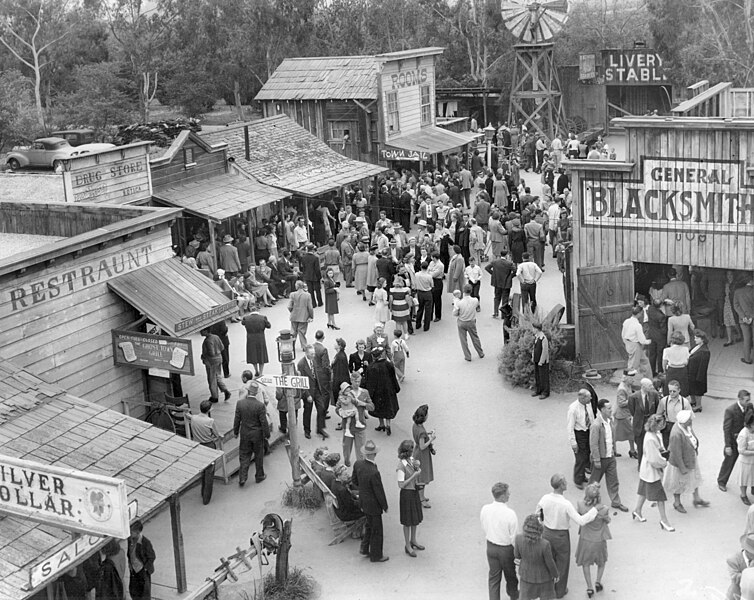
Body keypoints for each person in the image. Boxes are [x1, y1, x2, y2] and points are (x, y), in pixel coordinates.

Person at [536, 474, 598, 599]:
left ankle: (548, 588)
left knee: (548, 560)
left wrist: (542, 524)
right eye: (565, 482)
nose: (567, 484)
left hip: (547, 532)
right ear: (561, 486)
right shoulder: (565, 504)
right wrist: (594, 511)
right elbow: (580, 520)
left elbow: (537, 513)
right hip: (561, 535)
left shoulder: (545, 498)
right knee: (562, 563)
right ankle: (560, 590)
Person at [632, 414, 673, 531]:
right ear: (657, 424)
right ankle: (664, 520)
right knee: (660, 497)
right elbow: (654, 459)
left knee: (643, 491)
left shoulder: (653, 434)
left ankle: (637, 511)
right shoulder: (650, 438)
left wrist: (662, 452)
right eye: (662, 423)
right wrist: (664, 462)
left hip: (647, 470)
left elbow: (657, 450)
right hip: (651, 471)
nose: (664, 425)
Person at [664, 409, 709, 513]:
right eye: (689, 419)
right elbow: (676, 454)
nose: (691, 420)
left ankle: (697, 498)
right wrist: (682, 468)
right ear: (684, 421)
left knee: (695, 478)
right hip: (680, 463)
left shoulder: (686, 426)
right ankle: (677, 503)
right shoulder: (676, 434)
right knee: (678, 483)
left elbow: (692, 437)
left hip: (690, 458)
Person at [480, 482, 519, 600]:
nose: (509, 495)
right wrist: (517, 553)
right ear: (502, 496)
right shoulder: (510, 514)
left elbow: (483, 525)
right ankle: (513, 595)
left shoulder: (485, 509)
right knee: (511, 576)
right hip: (506, 549)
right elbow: (514, 537)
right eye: (507, 493)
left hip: (491, 546)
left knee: (493, 577)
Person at [352, 440, 389, 562]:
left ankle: (364, 548)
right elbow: (379, 491)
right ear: (374, 454)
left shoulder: (358, 464)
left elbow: (355, 481)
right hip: (373, 505)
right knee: (377, 530)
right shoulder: (374, 472)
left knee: (368, 526)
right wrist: (385, 506)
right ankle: (376, 555)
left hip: (363, 501)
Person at [589, 399, 629, 512]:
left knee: (613, 481)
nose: (611, 410)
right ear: (602, 410)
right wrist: (596, 459)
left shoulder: (610, 421)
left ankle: (616, 502)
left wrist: (614, 452)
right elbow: (593, 444)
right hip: (600, 458)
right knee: (594, 482)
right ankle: (588, 502)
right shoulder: (596, 425)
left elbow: (612, 438)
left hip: (610, 457)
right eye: (609, 408)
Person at [575, 483, 611, 597]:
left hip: (585, 539)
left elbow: (579, 514)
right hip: (599, 540)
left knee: (586, 563)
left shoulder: (580, 505)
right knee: (602, 562)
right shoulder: (604, 509)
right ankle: (598, 582)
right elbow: (608, 520)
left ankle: (589, 587)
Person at [234, 379, 270, 485]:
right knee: (258, 455)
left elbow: (237, 419)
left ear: (248, 391)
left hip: (245, 433)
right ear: (256, 392)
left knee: (244, 455)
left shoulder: (240, 403)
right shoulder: (260, 405)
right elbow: (264, 422)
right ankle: (259, 475)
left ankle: (242, 477)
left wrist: (236, 432)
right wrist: (267, 434)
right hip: (257, 435)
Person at [514, 514, 558, 600]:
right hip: (544, 578)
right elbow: (550, 562)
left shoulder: (518, 539)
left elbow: (517, 555)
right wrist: (555, 574)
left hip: (526, 576)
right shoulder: (545, 544)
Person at [337, 371, 375, 466]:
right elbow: (338, 407)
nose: (357, 384)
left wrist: (363, 404)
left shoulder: (364, 392)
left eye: (358, 381)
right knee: (346, 448)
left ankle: (359, 467)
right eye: (355, 381)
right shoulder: (345, 392)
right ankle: (347, 460)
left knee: (361, 452)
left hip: (360, 426)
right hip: (347, 426)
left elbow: (372, 407)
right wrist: (341, 413)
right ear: (351, 380)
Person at [188, 400, 221, 504]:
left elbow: (188, 415)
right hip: (209, 445)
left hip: (198, 446)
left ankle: (203, 492)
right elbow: (216, 434)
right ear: (209, 409)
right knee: (209, 473)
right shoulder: (210, 421)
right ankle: (206, 498)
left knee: (203, 470)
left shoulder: (194, 418)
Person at [719, 390, 752, 493]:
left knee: (750, 463)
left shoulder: (749, 407)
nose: (748, 402)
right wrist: (727, 445)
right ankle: (722, 481)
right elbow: (726, 429)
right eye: (746, 400)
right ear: (740, 399)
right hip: (733, 441)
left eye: (749, 400)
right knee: (729, 461)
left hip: (746, 440)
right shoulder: (730, 410)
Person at [396, 439, 424, 558]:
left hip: (413, 492)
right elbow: (401, 484)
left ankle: (413, 540)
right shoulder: (401, 466)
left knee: (415, 519)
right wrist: (414, 475)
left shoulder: (411, 461)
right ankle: (407, 545)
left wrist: (417, 468)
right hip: (406, 494)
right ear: (407, 451)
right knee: (407, 522)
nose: (413, 451)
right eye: (411, 449)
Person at [366, 347, 400, 435]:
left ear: (373, 356)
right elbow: (393, 378)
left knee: (379, 408)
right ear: (381, 354)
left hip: (377, 392)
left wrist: (369, 394)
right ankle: (388, 425)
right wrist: (396, 388)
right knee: (388, 408)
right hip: (388, 390)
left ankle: (381, 425)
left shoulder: (371, 367)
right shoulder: (388, 364)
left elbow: (369, 382)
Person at [297, 344, 329, 440]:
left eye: (314, 354)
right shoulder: (301, 364)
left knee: (322, 408)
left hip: (317, 389)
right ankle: (307, 431)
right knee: (308, 411)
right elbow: (301, 381)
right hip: (308, 391)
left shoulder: (313, 360)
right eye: (311, 354)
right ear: (306, 353)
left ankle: (320, 428)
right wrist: (307, 395)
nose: (313, 356)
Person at [628, 378, 660, 468]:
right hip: (639, 424)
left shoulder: (654, 394)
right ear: (643, 386)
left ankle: (652, 463)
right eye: (650, 385)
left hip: (651, 423)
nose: (652, 387)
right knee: (640, 445)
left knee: (652, 443)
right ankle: (641, 464)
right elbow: (632, 411)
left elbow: (657, 408)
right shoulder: (633, 397)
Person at [568, 390, 594, 489]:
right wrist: (573, 443)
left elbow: (590, 417)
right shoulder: (573, 409)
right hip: (579, 434)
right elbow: (570, 427)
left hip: (588, 431)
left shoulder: (588, 405)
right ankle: (578, 480)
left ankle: (582, 476)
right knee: (580, 458)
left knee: (586, 454)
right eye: (589, 397)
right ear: (582, 398)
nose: (591, 399)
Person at [656, 379, 692, 449]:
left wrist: (689, 431)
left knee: (679, 448)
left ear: (679, 390)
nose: (672, 393)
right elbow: (658, 414)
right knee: (668, 448)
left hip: (680, 426)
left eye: (674, 391)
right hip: (667, 427)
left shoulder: (685, 402)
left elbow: (690, 417)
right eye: (670, 391)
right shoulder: (664, 401)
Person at [411, 404, 435, 509]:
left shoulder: (416, 426)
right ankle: (421, 499)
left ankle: (422, 496)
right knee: (422, 477)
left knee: (421, 476)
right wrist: (431, 439)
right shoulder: (421, 431)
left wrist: (427, 433)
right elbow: (422, 446)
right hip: (422, 455)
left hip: (417, 452)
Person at [453, 283, 485, 362]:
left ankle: (468, 356)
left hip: (462, 322)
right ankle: (480, 353)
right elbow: (477, 306)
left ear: (463, 291)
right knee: (475, 337)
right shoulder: (475, 300)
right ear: (471, 291)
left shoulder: (459, 303)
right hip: (471, 321)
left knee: (463, 340)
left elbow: (455, 313)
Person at [621, 306, 652, 381]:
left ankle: (648, 380)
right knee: (632, 367)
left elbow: (623, 334)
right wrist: (649, 341)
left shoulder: (626, 321)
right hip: (635, 345)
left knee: (645, 361)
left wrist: (626, 343)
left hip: (628, 342)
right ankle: (625, 382)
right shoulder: (637, 326)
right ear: (639, 314)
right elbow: (642, 340)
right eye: (641, 313)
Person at [200, 328, 231, 403]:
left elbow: (211, 353)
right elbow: (222, 347)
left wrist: (204, 355)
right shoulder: (216, 337)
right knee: (217, 376)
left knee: (212, 379)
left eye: (202, 331)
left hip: (211, 362)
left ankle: (214, 397)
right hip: (219, 359)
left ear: (206, 331)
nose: (200, 332)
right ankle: (225, 390)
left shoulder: (208, 341)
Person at [127, 521, 155, 600]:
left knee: (144, 593)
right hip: (133, 570)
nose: (130, 534)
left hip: (142, 570)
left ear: (138, 532)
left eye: (131, 532)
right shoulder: (130, 540)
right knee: (134, 591)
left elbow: (152, 556)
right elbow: (129, 553)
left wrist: (145, 569)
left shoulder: (145, 542)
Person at [486, 250, 515, 318]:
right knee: (505, 298)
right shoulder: (509, 263)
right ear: (506, 255)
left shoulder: (495, 262)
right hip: (506, 283)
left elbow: (487, 268)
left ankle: (495, 312)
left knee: (497, 297)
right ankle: (503, 314)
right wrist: (510, 277)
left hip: (497, 282)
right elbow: (515, 271)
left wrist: (493, 274)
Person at [242, 308, 270, 377]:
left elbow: (243, 323)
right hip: (260, 338)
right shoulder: (263, 318)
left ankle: (256, 370)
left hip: (250, 338)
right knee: (261, 355)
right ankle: (261, 373)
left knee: (253, 355)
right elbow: (269, 326)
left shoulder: (246, 318)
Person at [687, 330, 710, 412]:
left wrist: (699, 377)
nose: (695, 339)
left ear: (702, 339)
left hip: (697, 374)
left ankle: (698, 405)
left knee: (697, 390)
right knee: (692, 388)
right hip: (691, 372)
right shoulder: (697, 346)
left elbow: (703, 366)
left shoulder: (705, 351)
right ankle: (693, 401)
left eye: (697, 338)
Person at [288, 280, 314, 351]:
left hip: (294, 315)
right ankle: (304, 346)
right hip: (303, 316)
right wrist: (311, 316)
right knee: (302, 331)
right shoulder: (307, 295)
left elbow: (289, 306)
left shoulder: (292, 294)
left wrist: (292, 311)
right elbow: (310, 307)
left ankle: (291, 345)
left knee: (293, 331)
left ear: (296, 286)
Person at [727, 534, 754, 600]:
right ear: (747, 551)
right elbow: (735, 577)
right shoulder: (733, 560)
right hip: (737, 591)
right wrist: (750, 570)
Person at [300, 243, 323, 307]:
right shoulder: (315, 258)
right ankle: (320, 302)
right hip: (315, 276)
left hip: (307, 276)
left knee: (310, 290)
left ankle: (313, 303)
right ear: (313, 249)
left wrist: (304, 275)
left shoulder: (303, 258)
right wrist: (320, 277)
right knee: (318, 290)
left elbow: (303, 267)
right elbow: (317, 269)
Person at [331, 337, 350, 413]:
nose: (334, 344)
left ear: (339, 346)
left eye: (336, 343)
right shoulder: (340, 355)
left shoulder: (340, 357)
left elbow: (340, 372)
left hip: (340, 383)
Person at [414, 261, 434, 332]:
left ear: (421, 267)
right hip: (427, 292)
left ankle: (418, 324)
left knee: (420, 308)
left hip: (419, 292)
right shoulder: (429, 276)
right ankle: (426, 326)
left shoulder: (416, 274)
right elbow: (432, 285)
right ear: (427, 267)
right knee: (428, 310)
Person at [740, 407, 754, 506]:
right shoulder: (743, 434)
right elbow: (741, 450)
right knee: (744, 478)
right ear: (750, 425)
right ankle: (743, 495)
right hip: (746, 461)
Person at [532, 322, 550, 399]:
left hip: (542, 361)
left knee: (543, 377)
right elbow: (534, 348)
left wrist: (541, 361)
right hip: (536, 359)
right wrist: (533, 357)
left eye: (533, 328)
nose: (532, 330)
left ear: (537, 329)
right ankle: (538, 390)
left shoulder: (543, 338)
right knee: (537, 376)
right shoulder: (536, 337)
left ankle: (545, 392)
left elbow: (545, 351)